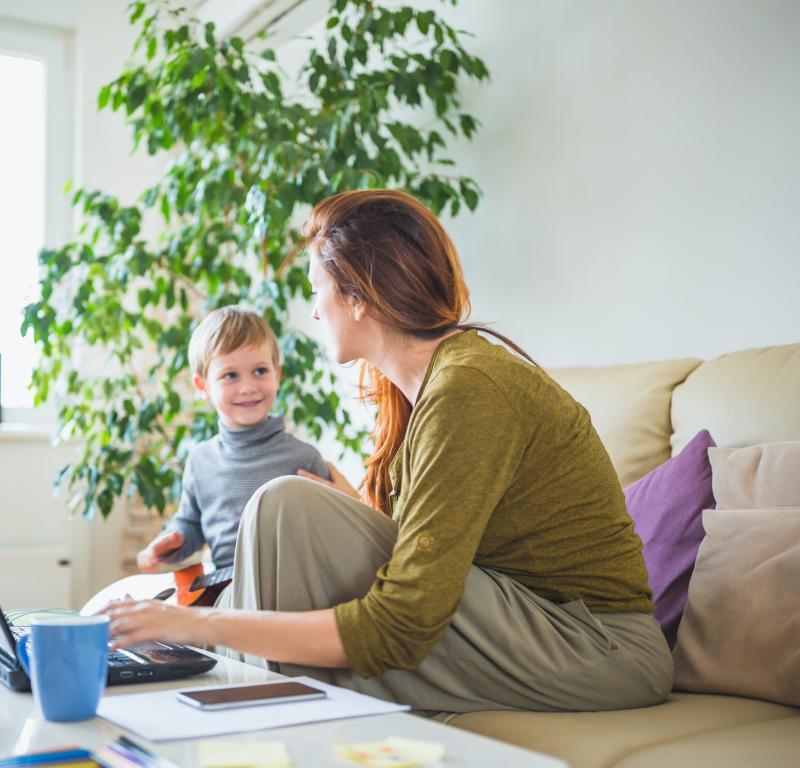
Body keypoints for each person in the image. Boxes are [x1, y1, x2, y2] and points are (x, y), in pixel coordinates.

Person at [100, 189, 673, 715]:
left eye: (316, 289)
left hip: (597, 647)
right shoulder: (421, 389)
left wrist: (196, 624)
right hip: (522, 617)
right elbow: (425, 551)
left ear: (355, 297)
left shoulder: (469, 388)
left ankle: (250, 708)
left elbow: (403, 623)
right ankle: (250, 709)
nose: (314, 309)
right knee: (287, 505)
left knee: (284, 512)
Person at [135, 305, 329, 604]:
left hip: (290, 597)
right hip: (225, 596)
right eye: (230, 375)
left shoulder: (303, 459)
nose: (248, 387)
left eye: (260, 371)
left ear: (277, 375)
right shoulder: (200, 461)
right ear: (203, 386)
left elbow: (327, 544)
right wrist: (173, 540)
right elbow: (191, 524)